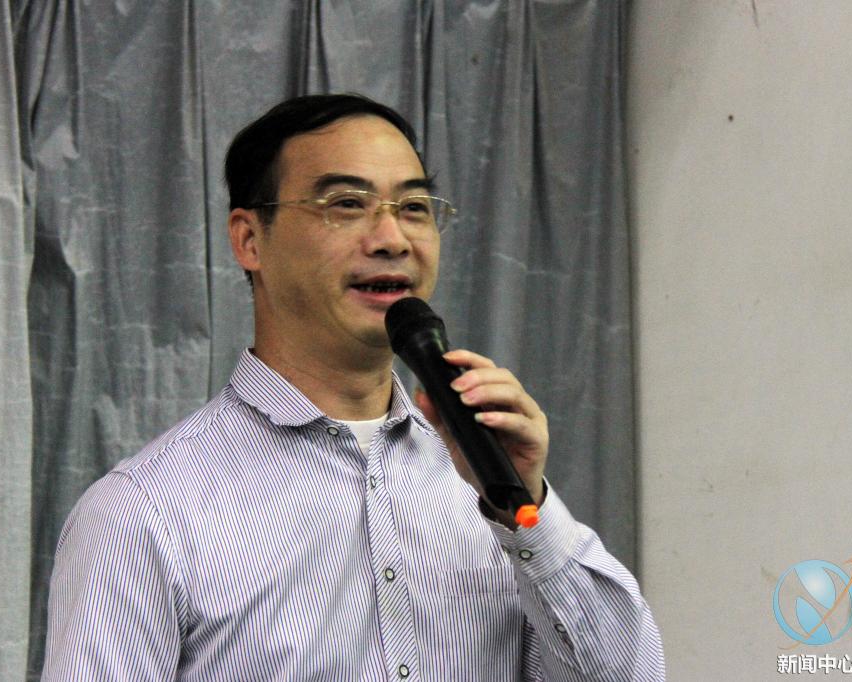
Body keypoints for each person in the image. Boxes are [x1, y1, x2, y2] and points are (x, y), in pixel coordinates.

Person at [41, 94, 664, 681]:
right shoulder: (143, 513)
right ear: (249, 239)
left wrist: (525, 508)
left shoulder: (481, 480)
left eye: (414, 208)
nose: (392, 239)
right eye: (345, 204)